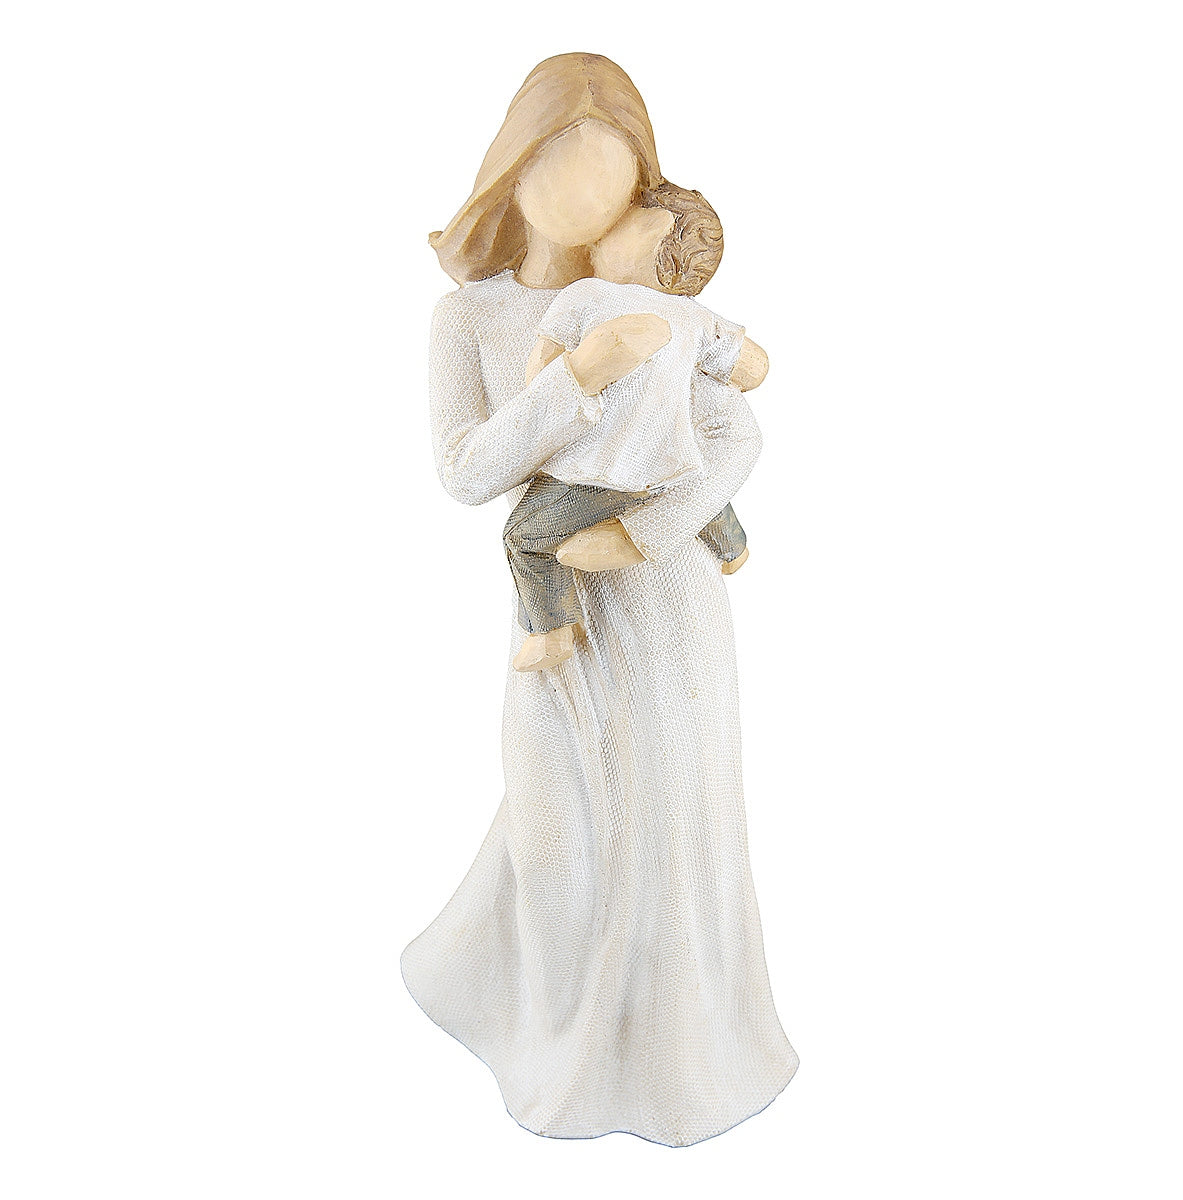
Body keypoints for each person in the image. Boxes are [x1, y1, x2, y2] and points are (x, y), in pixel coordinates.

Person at [402, 53, 796, 1148]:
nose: (588, 200)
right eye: (564, 167)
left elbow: (736, 434)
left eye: (614, 177)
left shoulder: (664, 302)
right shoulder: (471, 319)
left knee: (669, 840)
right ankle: (545, 1031)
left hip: (667, 605)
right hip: (559, 616)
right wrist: (573, 380)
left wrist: (646, 533)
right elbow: (467, 472)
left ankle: (667, 1060)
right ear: (513, 166)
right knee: (557, 852)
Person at [504, 181, 764, 672]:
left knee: (524, 535)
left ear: (659, 244)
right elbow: (751, 369)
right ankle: (734, 549)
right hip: (671, 460)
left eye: (625, 224)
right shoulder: (694, 316)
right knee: (695, 486)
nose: (604, 231)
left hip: (598, 469)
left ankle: (552, 633)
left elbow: (542, 380)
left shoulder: (586, 294)